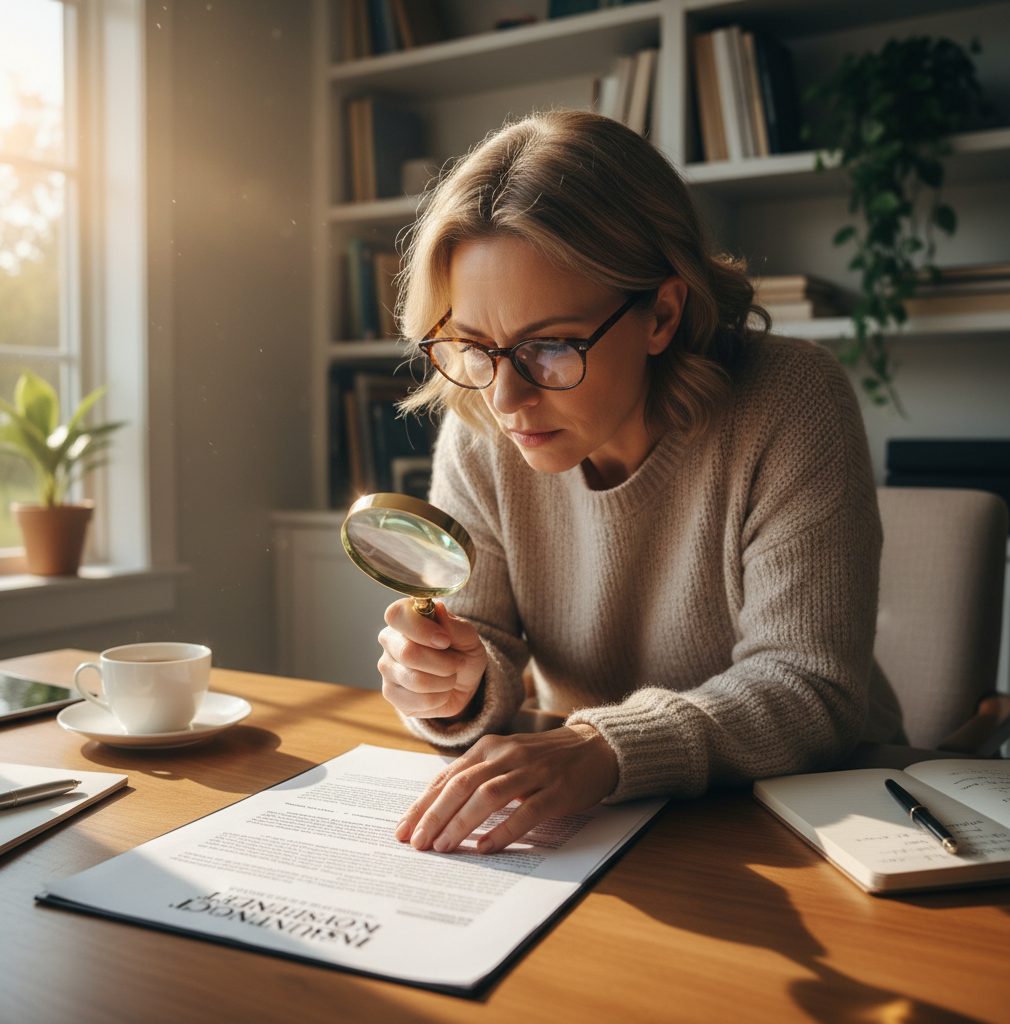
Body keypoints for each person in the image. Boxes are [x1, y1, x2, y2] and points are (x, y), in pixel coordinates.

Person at [375, 109, 903, 856]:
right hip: (608, 821)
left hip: (823, 820)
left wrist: (605, 748)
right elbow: (484, 641)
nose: (506, 400)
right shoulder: (484, 423)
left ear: (661, 312)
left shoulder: (791, 402)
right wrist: (455, 684)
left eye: (550, 347)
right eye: (471, 347)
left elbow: (809, 685)